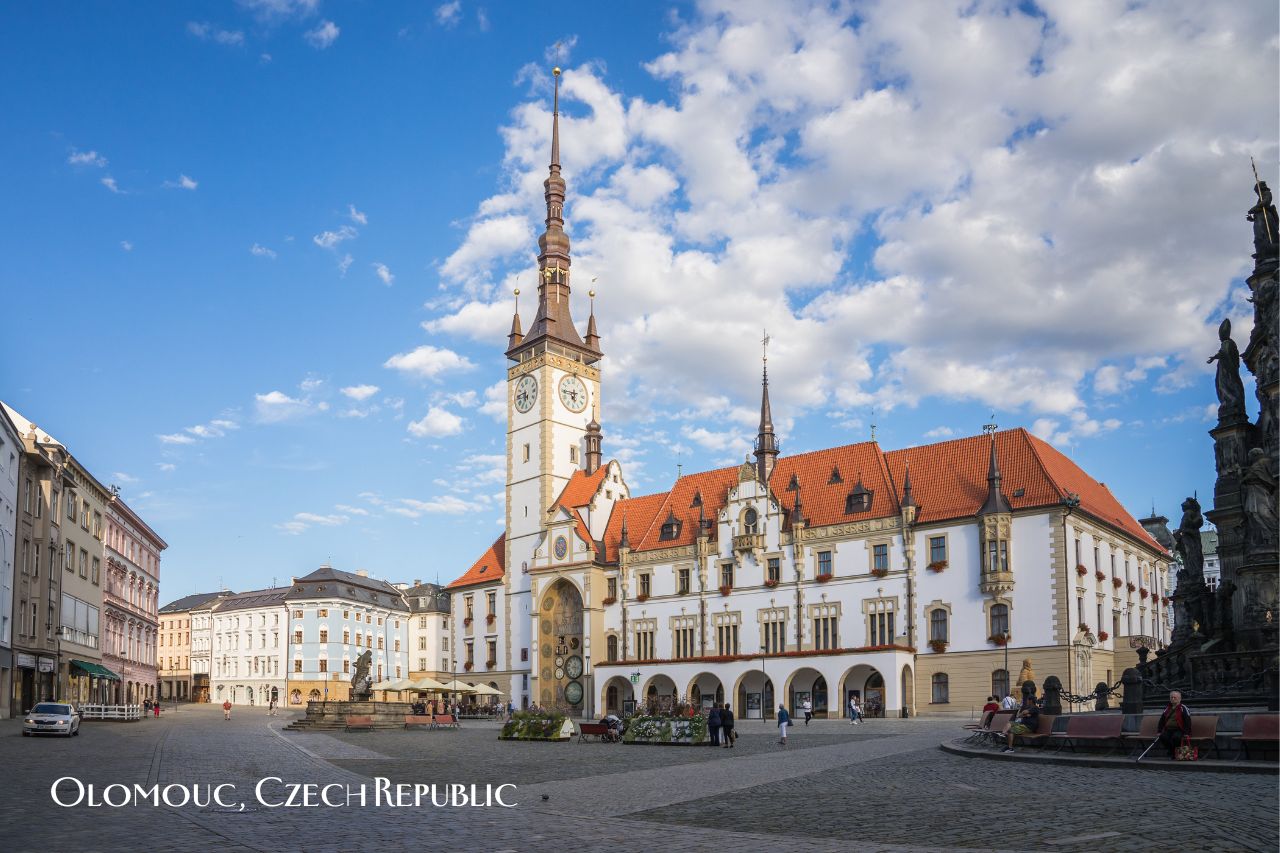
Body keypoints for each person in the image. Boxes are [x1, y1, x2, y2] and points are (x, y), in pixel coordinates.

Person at [1158, 690, 1192, 760]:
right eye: (1171, 697)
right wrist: (1159, 731)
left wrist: (1186, 732)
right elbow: (1162, 720)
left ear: (1179, 699)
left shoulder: (1183, 708)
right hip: (1168, 729)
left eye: (1175, 697)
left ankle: (1174, 753)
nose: (1173, 699)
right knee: (1162, 737)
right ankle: (1172, 751)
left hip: (1179, 729)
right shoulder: (1167, 708)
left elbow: (1187, 721)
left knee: (1176, 737)